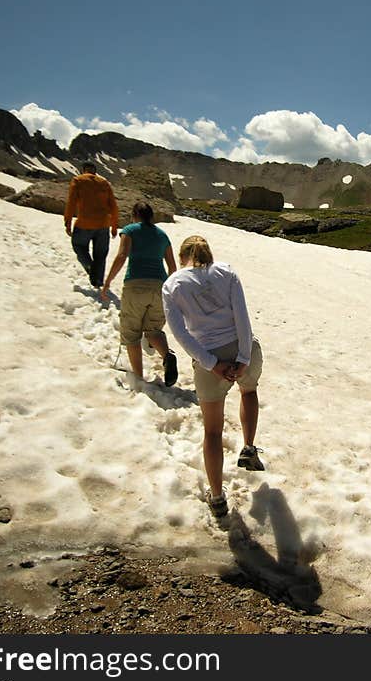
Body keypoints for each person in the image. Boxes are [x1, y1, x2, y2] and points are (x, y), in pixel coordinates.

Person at [162, 235, 264, 520]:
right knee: (249, 391)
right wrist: (243, 358)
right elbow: (242, 317)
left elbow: (179, 332)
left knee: (212, 431)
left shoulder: (173, 284)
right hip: (242, 347)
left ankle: (217, 497)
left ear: (183, 257)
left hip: (209, 357)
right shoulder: (226, 272)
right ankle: (248, 447)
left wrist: (211, 364)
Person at [101, 202, 178, 386]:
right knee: (153, 331)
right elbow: (173, 267)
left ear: (135, 215)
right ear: (151, 216)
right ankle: (167, 356)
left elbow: (122, 255)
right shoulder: (162, 235)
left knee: (132, 333)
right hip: (159, 287)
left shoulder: (130, 230)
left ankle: (138, 377)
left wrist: (108, 281)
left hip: (135, 284)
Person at [64, 160, 119, 288]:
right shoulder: (104, 183)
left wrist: (68, 222)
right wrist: (114, 227)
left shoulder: (78, 180)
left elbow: (71, 203)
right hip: (104, 224)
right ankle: (98, 281)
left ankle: (90, 267)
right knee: (101, 254)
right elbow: (113, 206)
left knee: (79, 246)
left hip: (84, 223)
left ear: (84, 170)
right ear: (95, 171)